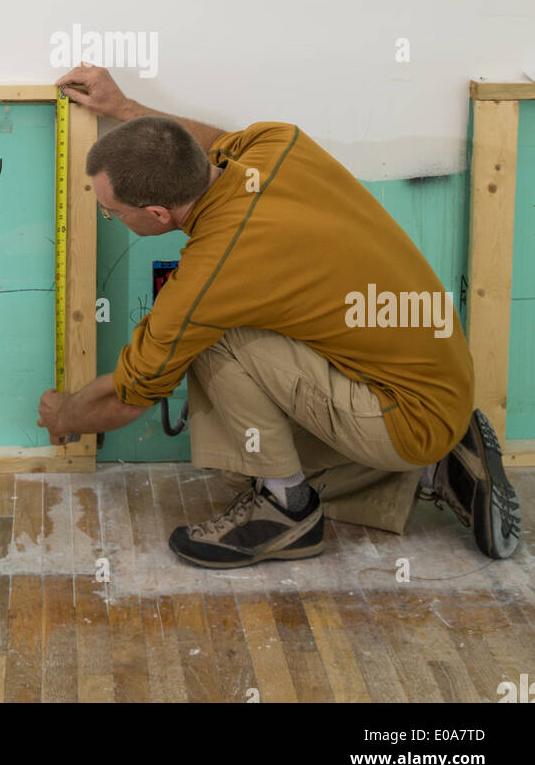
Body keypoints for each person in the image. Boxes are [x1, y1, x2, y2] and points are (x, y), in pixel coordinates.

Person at [37, 64, 522, 569]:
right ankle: (438, 469)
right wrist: (125, 109)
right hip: (440, 378)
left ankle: (286, 510)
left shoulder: (211, 276)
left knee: (219, 356)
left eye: (112, 211)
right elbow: (210, 142)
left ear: (158, 214)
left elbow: (130, 394)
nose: (108, 216)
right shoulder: (277, 145)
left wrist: (65, 414)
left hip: (403, 417)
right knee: (243, 456)